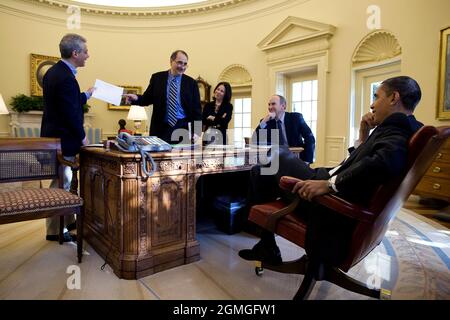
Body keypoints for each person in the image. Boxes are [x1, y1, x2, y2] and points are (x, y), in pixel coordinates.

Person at [239, 76, 423, 266]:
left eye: (376, 97)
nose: (371, 104)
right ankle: (266, 244)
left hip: (328, 204)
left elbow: (383, 163)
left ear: (394, 98)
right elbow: (360, 160)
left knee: (277, 153)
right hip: (329, 185)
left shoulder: (398, 126)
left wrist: (330, 184)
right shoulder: (400, 127)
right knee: (259, 171)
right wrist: (363, 133)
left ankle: (254, 230)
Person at [40, 33, 94, 242]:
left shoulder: (55, 72)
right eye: (86, 51)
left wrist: (85, 95)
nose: (88, 55)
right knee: (60, 185)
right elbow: (70, 113)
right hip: (63, 140)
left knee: (66, 181)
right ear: (75, 53)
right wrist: (83, 137)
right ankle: (55, 231)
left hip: (56, 138)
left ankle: (69, 220)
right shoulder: (65, 77)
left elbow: (67, 102)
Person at [124, 50, 202, 144]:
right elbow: (147, 98)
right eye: (179, 63)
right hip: (160, 129)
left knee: (180, 158)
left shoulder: (191, 83)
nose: (182, 67)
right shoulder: (157, 78)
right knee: (158, 157)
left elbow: (197, 110)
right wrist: (136, 98)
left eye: (185, 64)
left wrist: (197, 131)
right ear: (171, 61)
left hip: (182, 128)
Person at [252, 94, 315, 163]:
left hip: (295, 158)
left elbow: (310, 138)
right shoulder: (266, 122)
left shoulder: (295, 118)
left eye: (273, 104)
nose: (270, 107)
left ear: (283, 106)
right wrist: (264, 121)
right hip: (275, 161)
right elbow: (255, 141)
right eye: (269, 104)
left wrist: (306, 161)